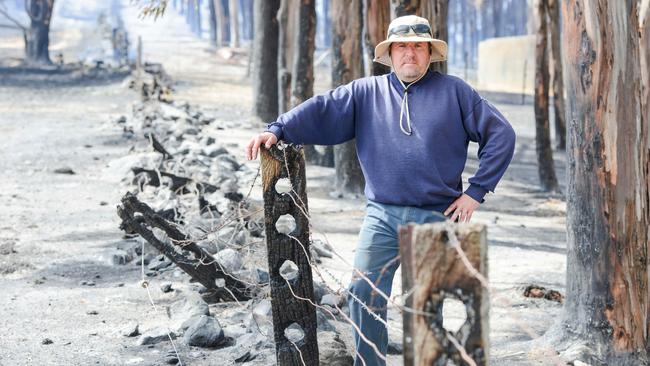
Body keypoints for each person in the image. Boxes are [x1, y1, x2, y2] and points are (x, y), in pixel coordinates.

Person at [245, 15, 516, 366]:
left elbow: (501, 135)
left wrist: (476, 191)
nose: (410, 54)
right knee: (362, 293)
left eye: (418, 46)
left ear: (429, 52)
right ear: (390, 53)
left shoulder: (456, 92)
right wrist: (278, 130)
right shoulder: (365, 93)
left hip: (437, 213)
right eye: (402, 46)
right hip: (381, 214)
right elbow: (322, 110)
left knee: (427, 304)